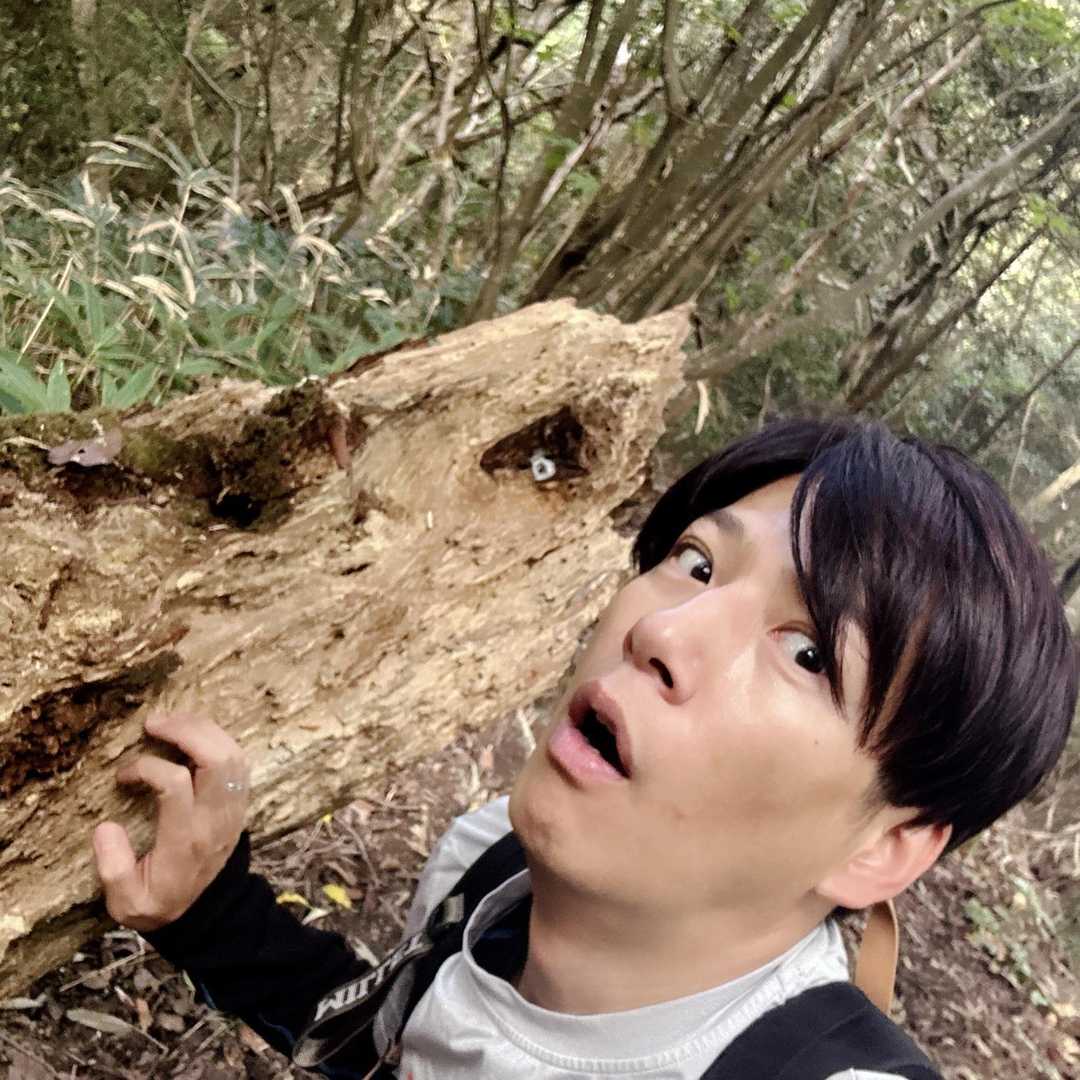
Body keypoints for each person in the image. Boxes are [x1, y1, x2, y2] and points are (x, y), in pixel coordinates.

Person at [91, 418, 1078, 1079]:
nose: (664, 630)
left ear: (884, 845)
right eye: (697, 562)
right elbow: (393, 1042)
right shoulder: (491, 868)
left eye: (809, 653)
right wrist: (209, 913)